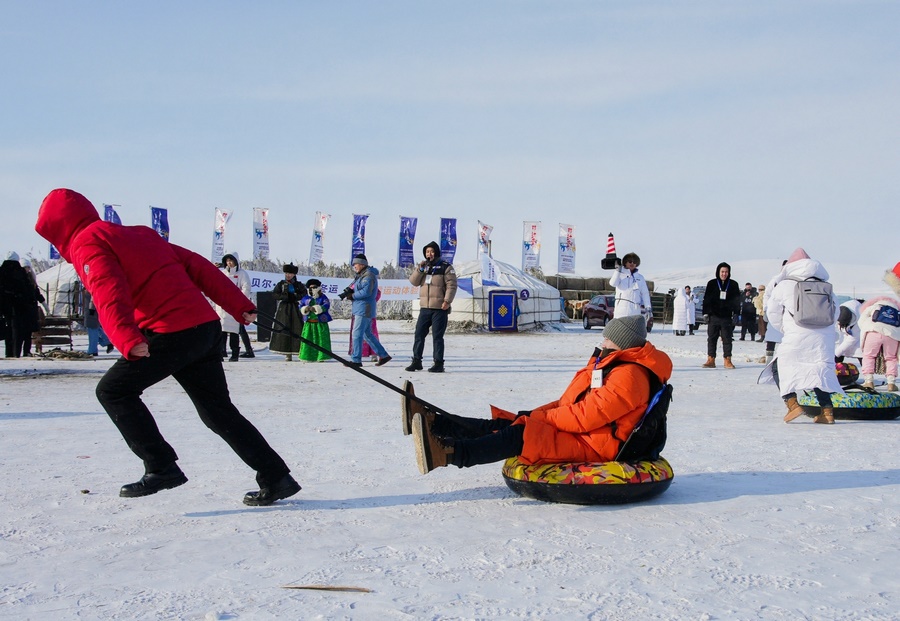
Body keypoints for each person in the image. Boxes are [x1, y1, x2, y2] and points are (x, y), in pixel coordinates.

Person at [35, 188, 300, 505]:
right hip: (204, 329)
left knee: (113, 391)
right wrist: (238, 304)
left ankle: (161, 466)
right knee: (218, 412)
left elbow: (108, 289)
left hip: (170, 331)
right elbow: (197, 265)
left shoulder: (87, 242)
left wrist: (127, 338)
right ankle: (276, 476)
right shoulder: (140, 234)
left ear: (57, 229)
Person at [406, 314, 672, 473]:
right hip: (585, 433)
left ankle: (446, 454)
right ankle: (434, 422)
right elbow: (569, 402)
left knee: (522, 434)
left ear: (621, 343)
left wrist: (540, 419)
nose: (602, 342)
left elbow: (586, 416)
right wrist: (536, 413)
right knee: (509, 423)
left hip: (596, 445)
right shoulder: (613, 365)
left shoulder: (630, 376)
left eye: (607, 338)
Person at [766, 248, 842, 424]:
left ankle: (792, 404)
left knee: (778, 367)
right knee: (819, 371)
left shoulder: (785, 285)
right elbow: (835, 312)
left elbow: (773, 312)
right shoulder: (826, 287)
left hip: (796, 336)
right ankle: (827, 412)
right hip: (824, 339)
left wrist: (785, 328)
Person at [406, 241, 458, 373]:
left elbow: (451, 285)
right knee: (419, 334)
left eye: (432, 251)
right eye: (427, 252)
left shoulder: (446, 267)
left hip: (440, 308)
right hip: (425, 307)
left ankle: (438, 363)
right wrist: (420, 269)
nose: (429, 254)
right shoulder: (424, 267)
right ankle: (416, 361)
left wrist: (447, 301)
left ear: (436, 253)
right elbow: (413, 281)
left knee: (437, 337)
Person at [347, 254, 391, 367]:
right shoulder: (362, 275)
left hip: (364, 308)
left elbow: (366, 292)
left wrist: (353, 295)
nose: (354, 267)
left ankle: (356, 360)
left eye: (356, 264)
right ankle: (383, 355)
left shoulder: (368, 276)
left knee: (357, 334)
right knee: (367, 334)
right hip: (362, 308)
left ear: (362, 264)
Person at [701, 262, 741, 369]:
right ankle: (711, 359)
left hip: (726, 317)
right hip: (713, 316)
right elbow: (706, 299)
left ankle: (727, 360)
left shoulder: (733, 284)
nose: (724, 274)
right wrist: (705, 313)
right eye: (722, 272)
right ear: (718, 272)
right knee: (712, 338)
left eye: (726, 272)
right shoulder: (712, 283)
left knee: (727, 339)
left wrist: (736, 313)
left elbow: (737, 301)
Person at [857, 296, 900, 391]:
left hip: (873, 332)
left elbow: (861, 321)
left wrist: (867, 327)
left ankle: (869, 381)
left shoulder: (874, 306)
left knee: (869, 356)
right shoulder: (896, 312)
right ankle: (891, 383)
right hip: (892, 335)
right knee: (891, 358)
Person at [218, 252, 252, 362]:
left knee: (234, 331)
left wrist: (239, 300)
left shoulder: (242, 274)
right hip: (223, 307)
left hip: (236, 307)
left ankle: (234, 353)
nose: (229, 263)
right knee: (222, 331)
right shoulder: (222, 273)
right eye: (227, 261)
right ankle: (221, 352)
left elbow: (246, 287)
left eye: (231, 260)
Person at [269, 263, 306, 362]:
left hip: (295, 308)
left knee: (297, 328)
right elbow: (275, 294)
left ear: (294, 274)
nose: (288, 275)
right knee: (284, 328)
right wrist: (285, 296)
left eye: (290, 273)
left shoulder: (299, 285)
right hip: (284, 308)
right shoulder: (281, 284)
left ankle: (299, 351)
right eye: (286, 273)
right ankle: (286, 353)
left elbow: (304, 294)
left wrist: (295, 296)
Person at [0, 251, 32, 358]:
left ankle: (8, 352)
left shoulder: (1, 271)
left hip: (4, 306)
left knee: (7, 329)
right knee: (17, 330)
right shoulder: (20, 272)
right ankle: (15, 352)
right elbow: (26, 290)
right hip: (19, 306)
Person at [299, 278, 333, 362]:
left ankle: (321, 356)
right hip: (309, 323)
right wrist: (305, 308)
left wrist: (317, 308)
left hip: (320, 323)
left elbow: (326, 305)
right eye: (310, 288)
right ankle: (307, 356)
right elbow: (300, 306)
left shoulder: (323, 297)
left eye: (314, 287)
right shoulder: (305, 298)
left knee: (321, 340)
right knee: (308, 339)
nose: (312, 289)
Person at [609, 252, 651, 320]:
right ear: (625, 262)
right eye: (630, 261)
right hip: (621, 309)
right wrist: (617, 271)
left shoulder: (640, 278)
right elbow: (613, 283)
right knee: (621, 326)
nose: (632, 263)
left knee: (634, 326)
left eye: (634, 262)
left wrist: (648, 307)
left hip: (635, 309)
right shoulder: (619, 274)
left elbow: (645, 293)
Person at [19, 258, 46, 357]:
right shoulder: (18, 279)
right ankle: (17, 352)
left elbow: (37, 293)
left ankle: (27, 351)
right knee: (20, 333)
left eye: (28, 267)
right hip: (22, 310)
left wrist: (45, 305)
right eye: (25, 267)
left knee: (28, 333)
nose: (27, 269)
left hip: (31, 310)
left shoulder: (31, 280)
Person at [82, 287, 113, 356]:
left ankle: (92, 350)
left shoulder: (91, 286)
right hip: (91, 309)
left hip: (92, 311)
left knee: (92, 329)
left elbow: (93, 297)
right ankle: (107, 341)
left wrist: (91, 308)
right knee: (95, 328)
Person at [834, 298, 862, 363]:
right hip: (841, 340)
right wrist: (836, 354)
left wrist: (836, 354)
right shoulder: (838, 312)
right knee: (836, 356)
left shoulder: (859, 319)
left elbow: (853, 338)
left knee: (861, 355)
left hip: (860, 338)